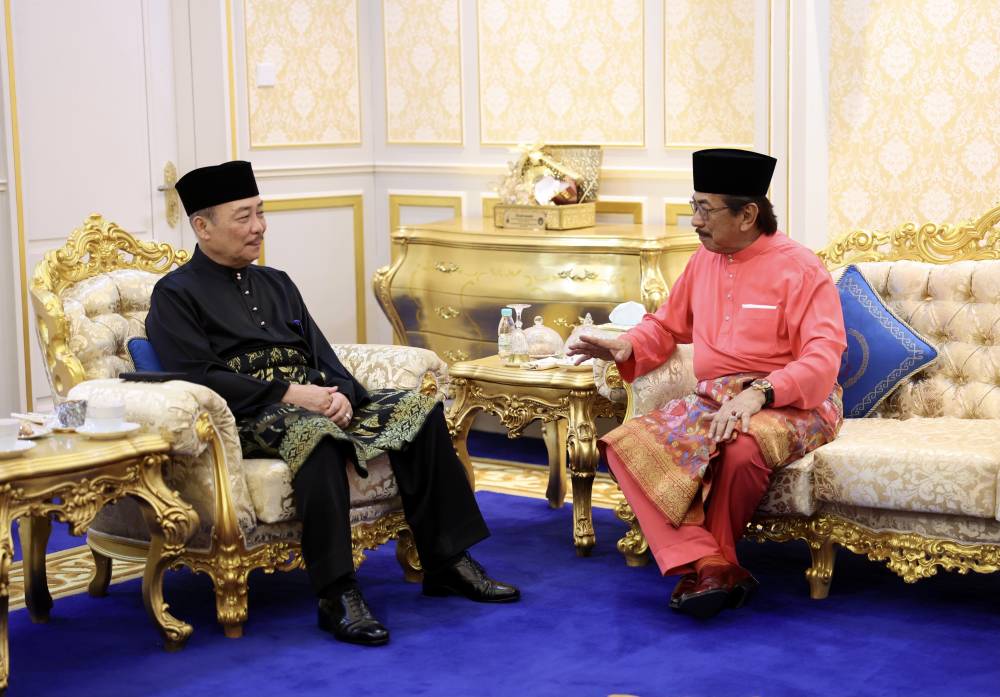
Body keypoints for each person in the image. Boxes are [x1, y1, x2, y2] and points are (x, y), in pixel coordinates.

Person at [146, 160, 519, 647]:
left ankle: (446, 561)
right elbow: (197, 374)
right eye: (243, 217)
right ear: (202, 226)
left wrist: (342, 394)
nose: (258, 227)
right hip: (249, 415)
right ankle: (337, 593)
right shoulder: (175, 294)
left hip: (312, 400)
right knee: (315, 435)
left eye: (260, 213)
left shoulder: (276, 282)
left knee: (418, 411)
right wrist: (290, 394)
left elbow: (321, 353)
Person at [567, 149, 846, 619]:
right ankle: (711, 563)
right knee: (620, 445)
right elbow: (667, 325)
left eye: (705, 208)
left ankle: (708, 571)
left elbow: (823, 357)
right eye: (692, 206)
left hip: (792, 400)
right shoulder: (703, 260)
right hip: (716, 397)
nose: (694, 220)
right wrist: (627, 346)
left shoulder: (801, 268)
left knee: (737, 449)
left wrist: (761, 393)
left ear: (748, 214)